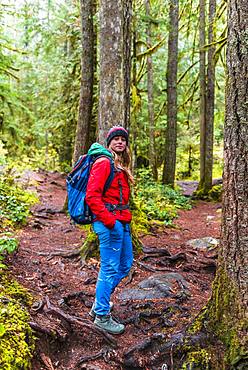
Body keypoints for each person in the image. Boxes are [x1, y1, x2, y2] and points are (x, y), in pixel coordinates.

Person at [85, 125, 134, 335]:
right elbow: (92, 196)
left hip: (122, 223)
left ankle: (99, 303)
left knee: (125, 264)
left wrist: (122, 223)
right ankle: (102, 315)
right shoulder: (104, 162)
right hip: (109, 224)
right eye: (116, 139)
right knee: (110, 268)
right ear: (109, 143)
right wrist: (111, 223)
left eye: (123, 139)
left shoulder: (119, 165)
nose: (120, 142)